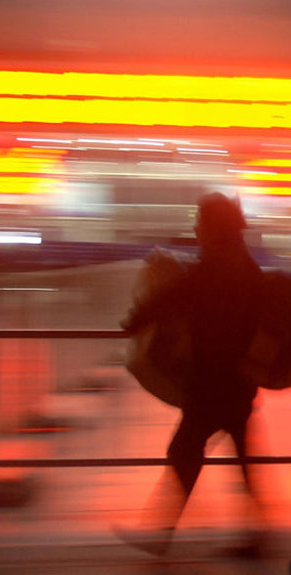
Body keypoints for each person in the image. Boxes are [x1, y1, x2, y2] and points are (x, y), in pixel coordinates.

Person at [116, 193, 264, 556]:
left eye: (200, 221)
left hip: (214, 381)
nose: (196, 228)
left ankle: (163, 535)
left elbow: (172, 297)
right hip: (238, 380)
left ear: (214, 227)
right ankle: (255, 538)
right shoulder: (244, 265)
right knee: (232, 458)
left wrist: (134, 321)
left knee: (185, 450)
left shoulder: (214, 268)